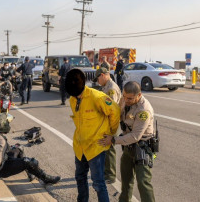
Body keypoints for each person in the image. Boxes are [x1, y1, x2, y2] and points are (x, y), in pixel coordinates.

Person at [65, 69, 120, 202]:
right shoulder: (73, 99)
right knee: (80, 177)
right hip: (80, 146)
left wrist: (110, 134)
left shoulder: (97, 97)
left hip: (96, 146)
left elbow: (115, 111)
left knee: (98, 183)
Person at [98, 81, 156, 202]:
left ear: (139, 95)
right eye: (124, 96)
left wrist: (113, 139)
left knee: (143, 183)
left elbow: (135, 136)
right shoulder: (125, 99)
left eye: (130, 98)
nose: (126, 100)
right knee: (126, 181)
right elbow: (117, 113)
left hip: (142, 149)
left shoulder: (144, 110)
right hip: (128, 148)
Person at [0, 113, 61, 184]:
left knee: (18, 148)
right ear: (2, 125)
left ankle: (31, 173)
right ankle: (45, 179)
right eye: (6, 123)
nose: (8, 124)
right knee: (30, 162)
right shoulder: (1, 142)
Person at [93, 68, 121, 184]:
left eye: (98, 79)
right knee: (105, 147)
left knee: (110, 149)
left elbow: (111, 109)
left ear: (103, 75)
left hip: (111, 122)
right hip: (106, 122)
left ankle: (110, 175)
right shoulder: (106, 86)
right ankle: (106, 172)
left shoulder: (111, 89)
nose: (98, 82)